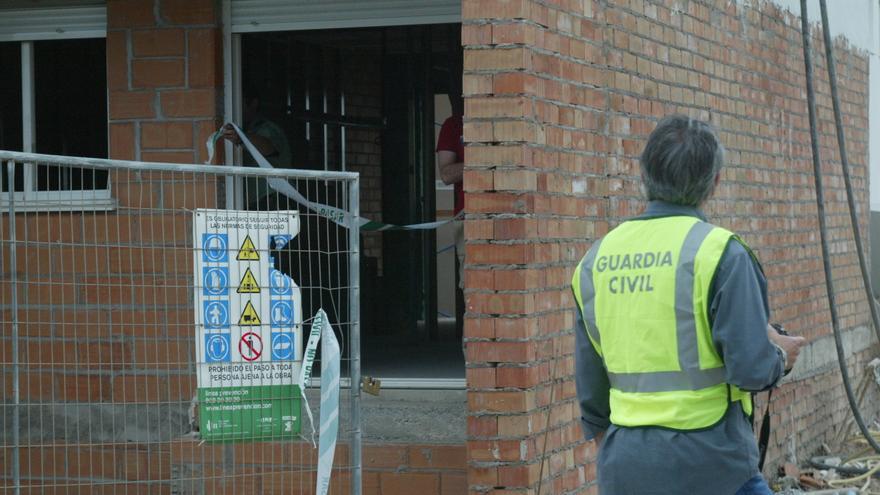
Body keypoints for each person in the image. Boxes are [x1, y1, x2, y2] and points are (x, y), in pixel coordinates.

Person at [571, 115, 806, 495]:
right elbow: (750, 369)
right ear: (714, 182)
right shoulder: (720, 253)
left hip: (625, 466)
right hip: (714, 465)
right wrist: (779, 355)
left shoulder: (596, 259)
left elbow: (591, 388)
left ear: (644, 175)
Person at [221, 87, 292, 210]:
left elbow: (268, 148)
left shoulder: (268, 128)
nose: (236, 107)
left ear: (253, 103)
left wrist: (241, 137)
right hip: (250, 204)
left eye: (240, 102)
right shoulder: (248, 129)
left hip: (271, 202)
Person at [437, 91, 465, 339]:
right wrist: (483, 161)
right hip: (467, 220)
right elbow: (446, 174)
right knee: (472, 290)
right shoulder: (453, 125)